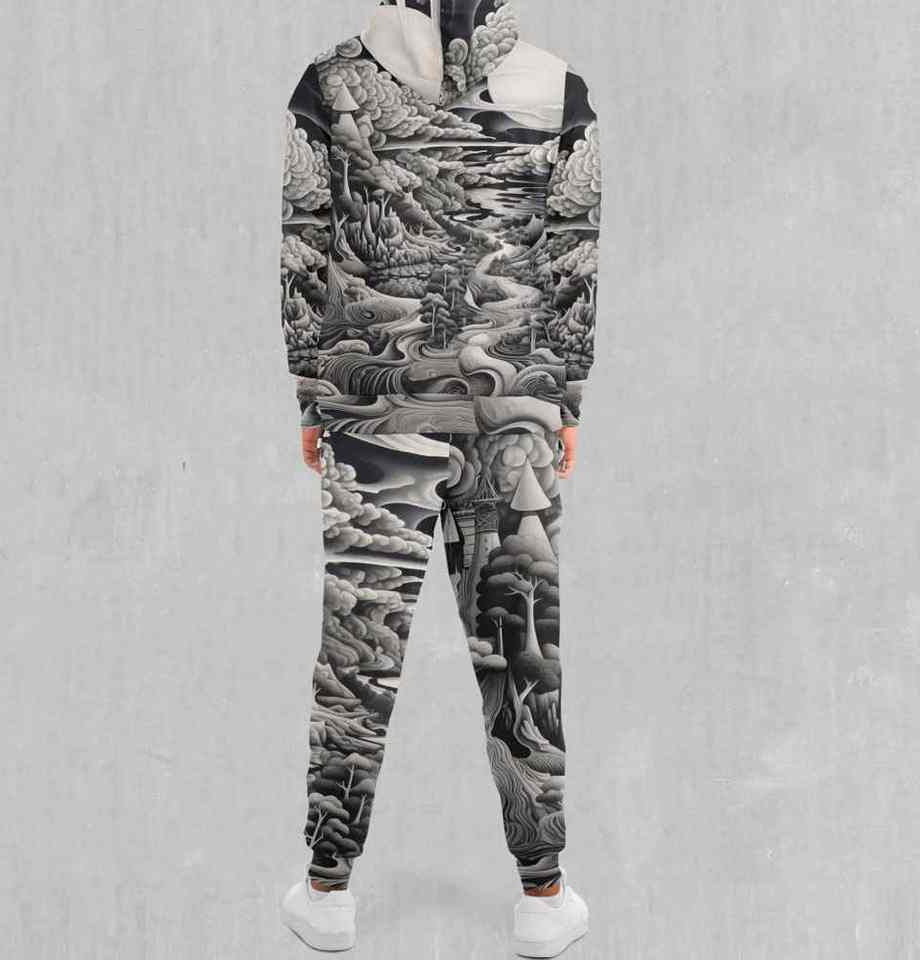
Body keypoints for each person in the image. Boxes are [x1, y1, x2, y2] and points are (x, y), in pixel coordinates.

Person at [279, 1, 600, 954]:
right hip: (516, 403)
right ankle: (543, 893)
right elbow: (574, 263)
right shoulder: (559, 88)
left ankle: (327, 889)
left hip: (372, 402)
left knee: (360, 643)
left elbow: (303, 250)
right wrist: (565, 397)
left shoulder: (330, 81)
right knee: (520, 639)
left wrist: (312, 394)